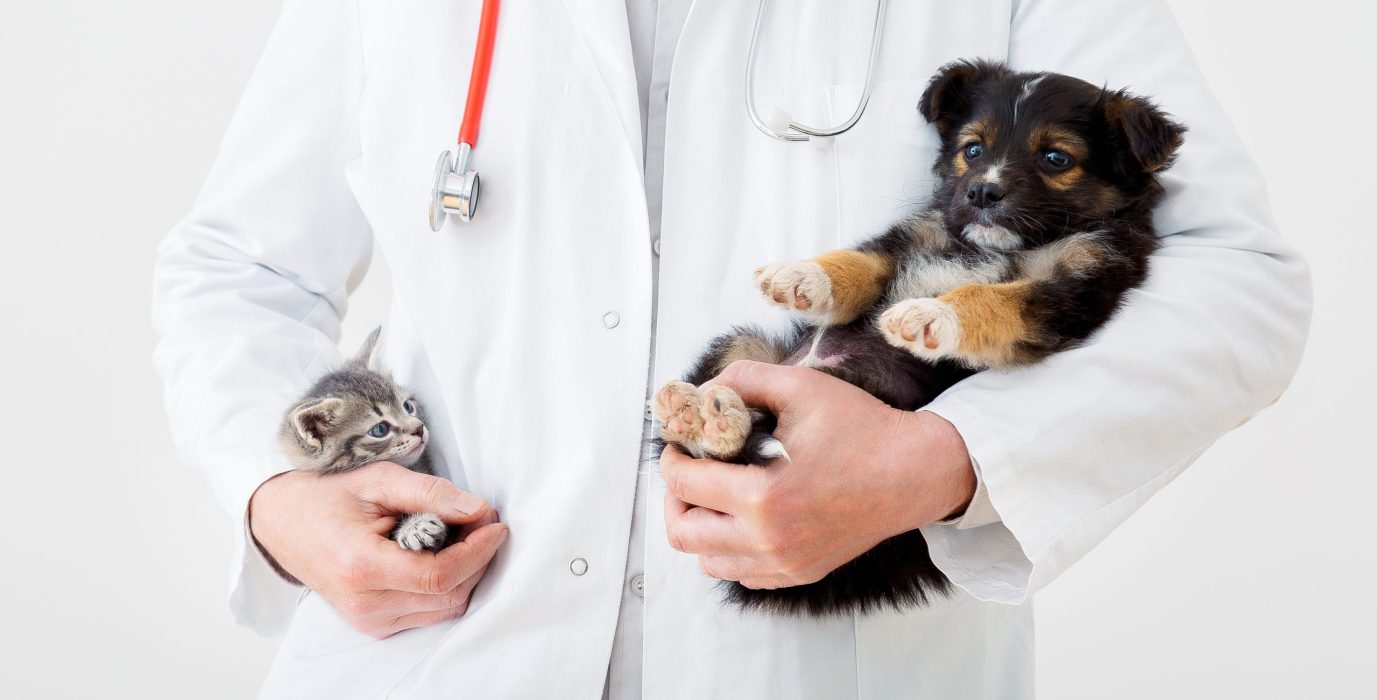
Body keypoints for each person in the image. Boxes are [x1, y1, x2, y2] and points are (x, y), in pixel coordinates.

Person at [152, 0, 1310, 697]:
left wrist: (940, 460)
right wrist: (276, 500)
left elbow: (1233, 280)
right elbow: (242, 266)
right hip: (438, 659)